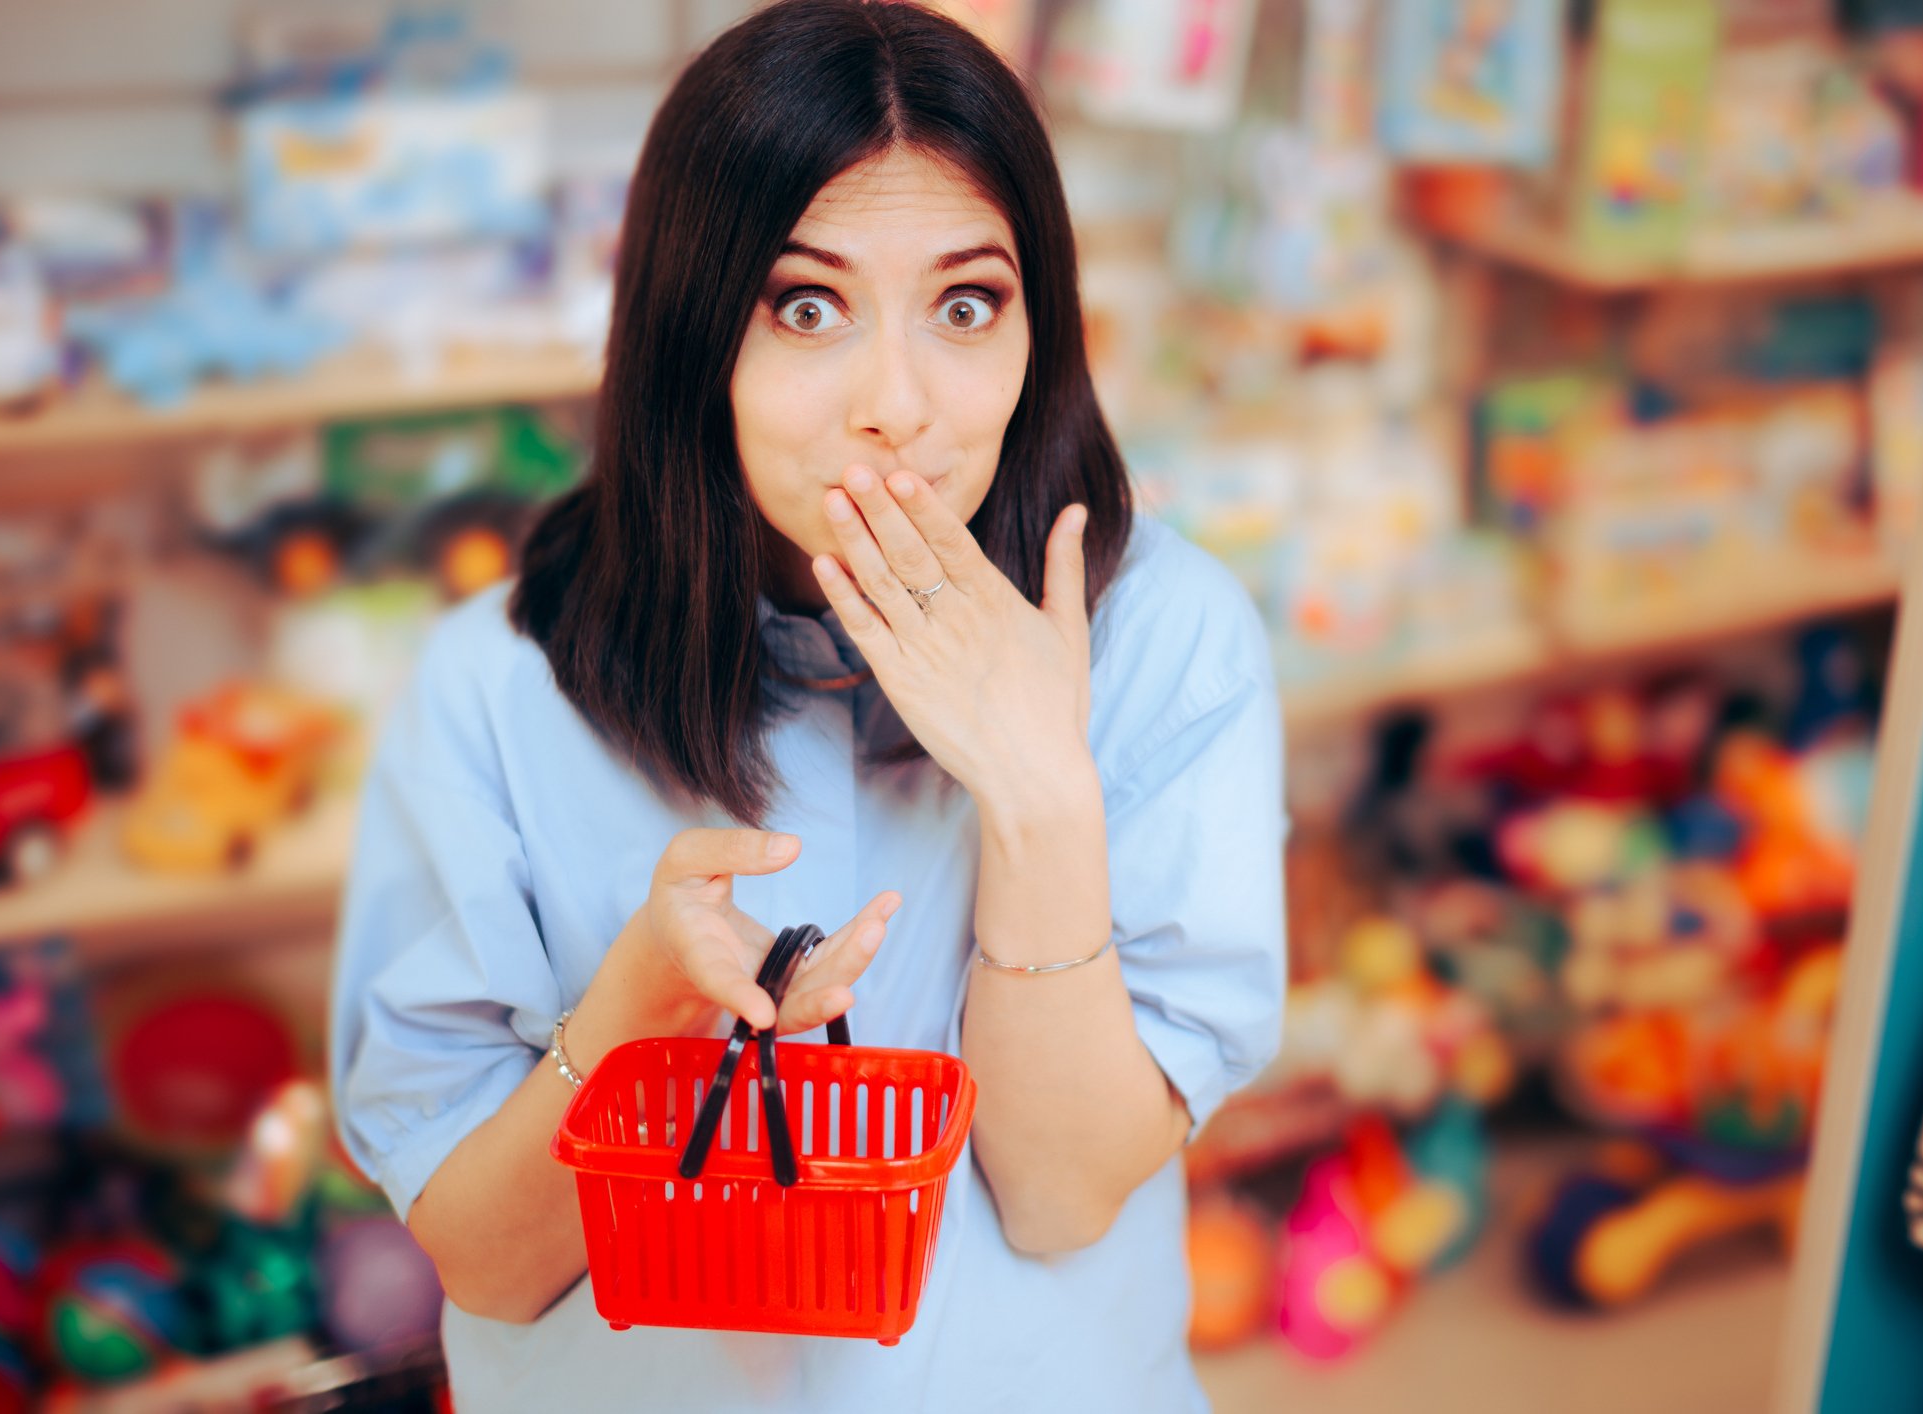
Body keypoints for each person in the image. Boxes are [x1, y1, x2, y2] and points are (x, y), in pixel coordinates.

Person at [327, 2, 1287, 1409]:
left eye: (966, 304)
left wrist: (1037, 795)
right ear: (690, 329)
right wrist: (648, 998)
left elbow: (1065, 1191)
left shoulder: (1164, 638)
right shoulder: (495, 682)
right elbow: (482, 1257)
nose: (896, 403)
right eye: (805, 305)